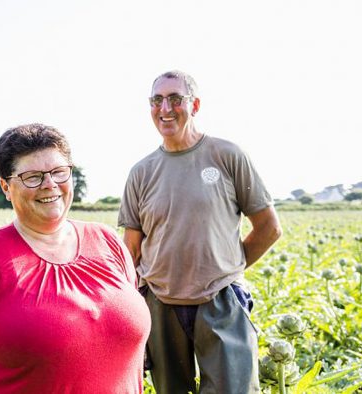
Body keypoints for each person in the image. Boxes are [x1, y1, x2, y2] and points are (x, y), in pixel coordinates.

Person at [0, 123, 151, 393]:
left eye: (59, 172)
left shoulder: (109, 242)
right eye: (33, 177)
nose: (50, 184)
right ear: (6, 186)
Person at [118, 70, 282, 393]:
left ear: (194, 104)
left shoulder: (227, 155)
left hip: (220, 301)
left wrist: (227, 268)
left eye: (175, 99)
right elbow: (131, 250)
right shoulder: (141, 173)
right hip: (161, 305)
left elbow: (269, 228)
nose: (165, 108)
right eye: (157, 100)